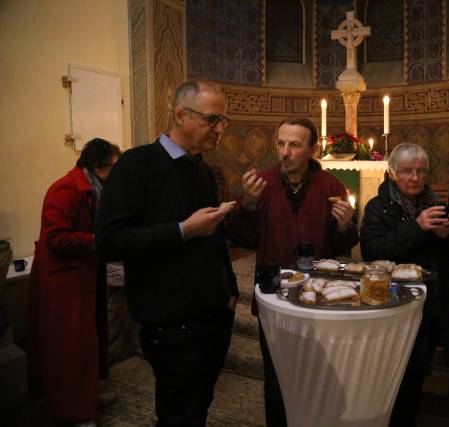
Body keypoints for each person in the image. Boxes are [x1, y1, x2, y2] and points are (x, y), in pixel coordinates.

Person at [95, 79, 239, 427]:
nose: (220, 129)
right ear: (181, 115)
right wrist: (182, 230)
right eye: (212, 120)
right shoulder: (136, 164)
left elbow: (211, 238)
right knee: (178, 416)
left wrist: (229, 290)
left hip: (212, 315)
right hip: (170, 322)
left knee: (198, 407)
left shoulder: (203, 169)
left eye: (223, 121)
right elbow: (109, 241)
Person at [226, 116, 358, 426]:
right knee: (276, 380)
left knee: (317, 376)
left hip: (316, 298)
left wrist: (345, 225)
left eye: (294, 145)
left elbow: (343, 243)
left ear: (312, 149)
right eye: (281, 143)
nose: (284, 152)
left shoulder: (330, 185)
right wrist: (247, 206)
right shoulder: (262, 183)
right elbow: (241, 238)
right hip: (275, 296)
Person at [359, 143, 449, 426]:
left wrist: (448, 236)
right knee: (391, 372)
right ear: (392, 173)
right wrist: (417, 227)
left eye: (421, 171)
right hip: (393, 305)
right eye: (407, 171)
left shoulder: (434, 203)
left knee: (418, 370)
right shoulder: (377, 207)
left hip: (431, 304)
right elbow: (373, 252)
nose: (415, 177)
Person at [28, 138, 121, 427]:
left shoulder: (94, 187)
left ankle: (88, 395)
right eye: (112, 168)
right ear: (96, 166)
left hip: (84, 273)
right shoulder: (64, 189)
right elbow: (56, 238)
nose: (116, 175)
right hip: (63, 281)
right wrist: (97, 240)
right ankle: (75, 412)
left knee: (90, 341)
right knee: (70, 347)